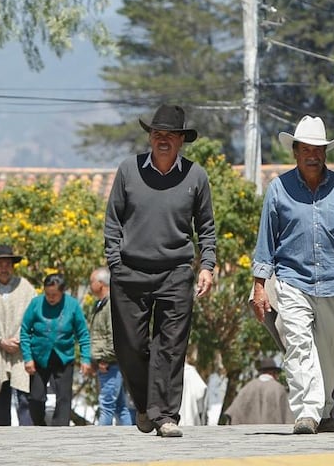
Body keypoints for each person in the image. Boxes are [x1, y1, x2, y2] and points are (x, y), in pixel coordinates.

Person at [250, 115, 334, 436]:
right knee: (298, 345)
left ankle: (324, 410)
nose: (312, 155)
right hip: (293, 281)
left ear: (325, 153)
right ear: (295, 152)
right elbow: (266, 241)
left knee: (331, 355)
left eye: (317, 149)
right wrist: (259, 285)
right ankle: (306, 412)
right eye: (305, 149)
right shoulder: (278, 189)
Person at [104, 105, 216, 438]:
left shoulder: (196, 177)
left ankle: (166, 415)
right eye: (157, 134)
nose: (162, 140)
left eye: (169, 135)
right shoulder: (128, 170)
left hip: (176, 273)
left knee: (171, 347)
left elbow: (206, 226)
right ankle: (144, 406)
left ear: (182, 140)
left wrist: (206, 265)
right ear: (150, 137)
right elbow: (113, 220)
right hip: (130, 272)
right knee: (130, 347)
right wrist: (115, 262)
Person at [20, 274, 93, 426]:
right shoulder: (36, 304)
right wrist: (28, 358)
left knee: (64, 397)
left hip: (63, 357)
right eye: (48, 294)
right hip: (39, 358)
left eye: (55, 295)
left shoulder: (72, 305)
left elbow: (83, 334)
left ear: (62, 293)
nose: (51, 298)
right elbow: (25, 331)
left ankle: (60, 430)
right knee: (36, 397)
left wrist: (86, 359)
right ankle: (40, 426)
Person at [0, 244, 35, 427]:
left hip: (21, 352)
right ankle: (3, 444)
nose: (4, 267)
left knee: (24, 399)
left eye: (7, 264)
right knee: (0, 401)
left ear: (13, 266)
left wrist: (19, 339)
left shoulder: (25, 287)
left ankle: (28, 441)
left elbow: (33, 314)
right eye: (0, 264)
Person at [87, 266, 132, 426]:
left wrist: (104, 358)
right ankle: (132, 437)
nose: (90, 285)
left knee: (106, 405)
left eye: (92, 281)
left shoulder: (111, 306)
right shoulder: (101, 304)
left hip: (110, 364)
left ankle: (100, 441)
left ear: (101, 283)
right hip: (107, 363)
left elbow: (114, 337)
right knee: (120, 407)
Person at [221, 357, 292, 425]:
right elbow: (288, 417)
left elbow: (233, 413)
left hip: (248, 435)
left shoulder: (247, 387)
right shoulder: (279, 389)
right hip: (274, 435)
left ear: (261, 372)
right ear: (273, 373)